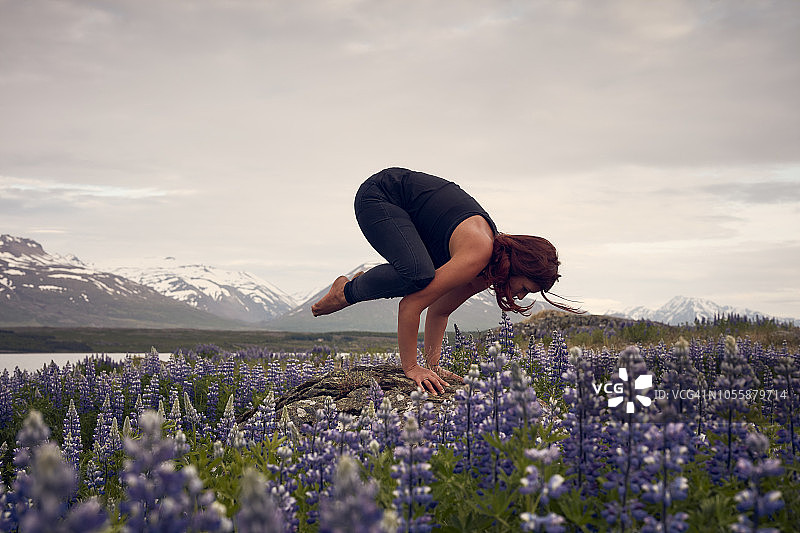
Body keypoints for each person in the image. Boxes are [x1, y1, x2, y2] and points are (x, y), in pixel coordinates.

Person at [312, 167, 582, 396]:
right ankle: (345, 291)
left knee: (420, 273)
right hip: (381, 194)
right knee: (418, 275)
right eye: (523, 287)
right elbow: (411, 305)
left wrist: (433, 364)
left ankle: (359, 284)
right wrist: (411, 367)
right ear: (516, 266)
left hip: (410, 216)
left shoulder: (485, 269)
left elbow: (440, 309)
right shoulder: (478, 253)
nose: (520, 296)